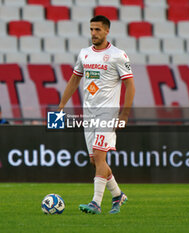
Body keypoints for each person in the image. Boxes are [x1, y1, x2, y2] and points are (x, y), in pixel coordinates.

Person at [58, 15, 135, 214]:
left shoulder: (118, 55)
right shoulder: (84, 54)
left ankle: (96, 203)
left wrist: (124, 115)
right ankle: (118, 195)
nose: (93, 33)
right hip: (88, 114)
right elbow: (74, 80)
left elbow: (130, 85)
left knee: (100, 157)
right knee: (95, 161)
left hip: (108, 114)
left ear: (107, 31)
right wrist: (61, 105)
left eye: (98, 30)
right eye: (91, 29)